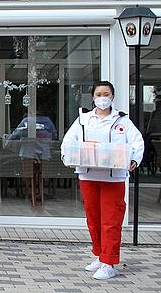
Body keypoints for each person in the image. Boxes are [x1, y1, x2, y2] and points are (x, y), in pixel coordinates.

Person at [61, 81, 143, 280]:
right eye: (99, 94)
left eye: (106, 93)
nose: (102, 97)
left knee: (111, 221)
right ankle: (100, 254)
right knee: (94, 219)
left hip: (113, 178)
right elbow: (69, 141)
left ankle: (109, 262)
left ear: (112, 97)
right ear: (93, 97)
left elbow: (137, 142)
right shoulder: (83, 119)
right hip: (88, 175)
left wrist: (133, 160)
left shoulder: (122, 121)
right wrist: (66, 156)